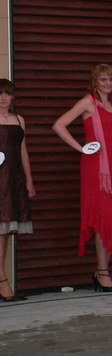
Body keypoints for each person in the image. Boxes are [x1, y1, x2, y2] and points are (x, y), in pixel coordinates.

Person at [52, 64, 112, 292]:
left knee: (111, 217)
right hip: (96, 169)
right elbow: (59, 125)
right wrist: (81, 148)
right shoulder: (88, 102)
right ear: (95, 82)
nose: (107, 83)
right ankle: (103, 273)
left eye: (111, 79)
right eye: (103, 79)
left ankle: (101, 271)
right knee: (102, 218)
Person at [0, 79, 35, 302]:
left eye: (7, 93)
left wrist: (29, 180)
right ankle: (2, 281)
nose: (3, 97)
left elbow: (23, 151)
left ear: (13, 97)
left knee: (5, 231)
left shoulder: (19, 120)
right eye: (0, 93)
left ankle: (1, 279)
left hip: (14, 179)